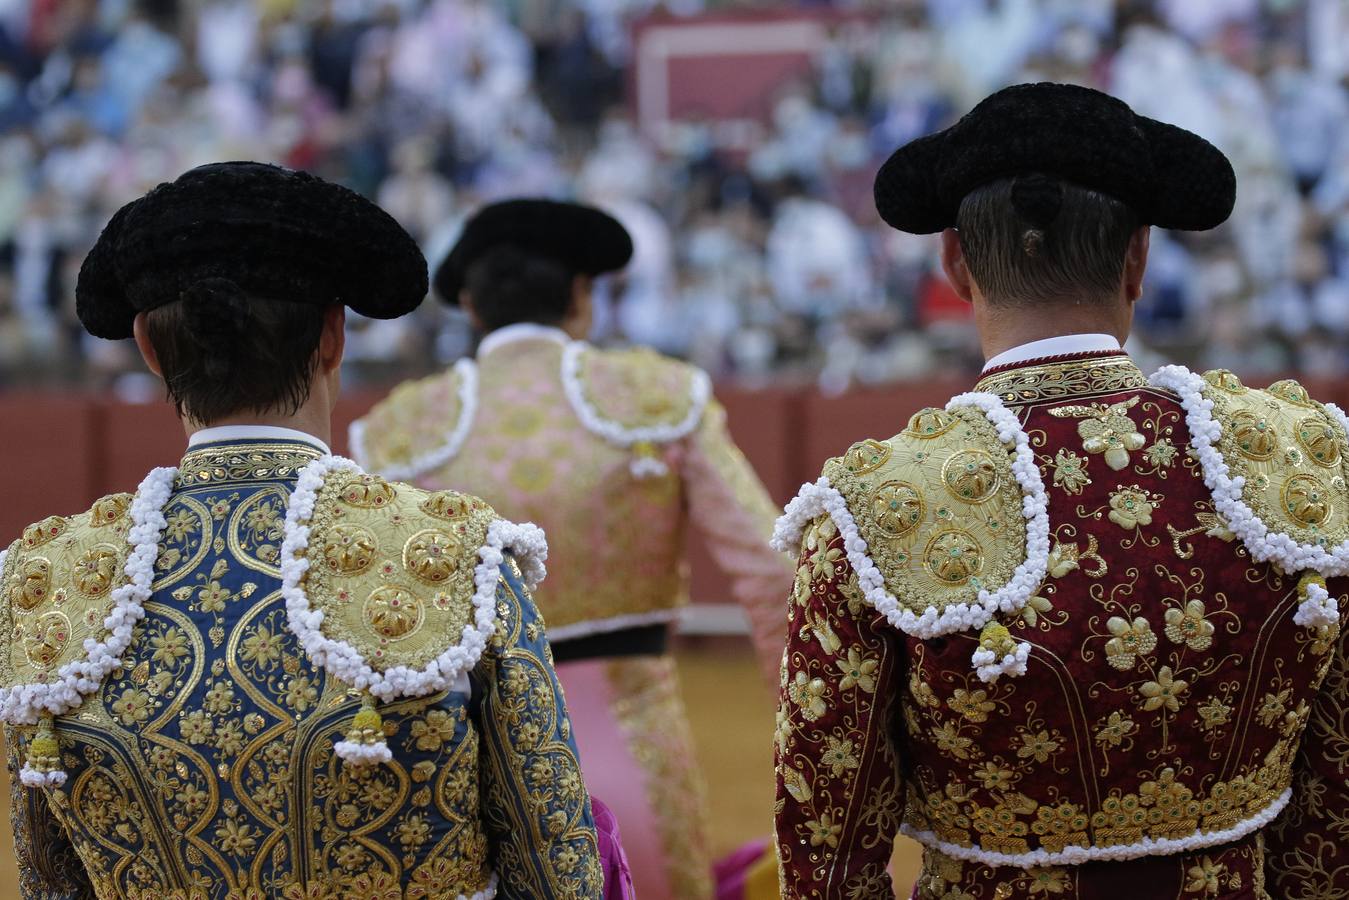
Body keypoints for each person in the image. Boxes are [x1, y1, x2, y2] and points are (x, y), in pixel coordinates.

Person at [772, 82, 1349, 898]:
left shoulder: (875, 505)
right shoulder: (1306, 461)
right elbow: (1333, 809)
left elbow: (828, 844)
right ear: (1138, 257)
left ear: (955, 265)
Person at [0, 162, 606, 899]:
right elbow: (557, 871)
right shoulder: (458, 557)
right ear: (332, 336)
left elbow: (47, 881)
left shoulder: (43, 585)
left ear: (149, 349)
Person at [350, 197, 793, 900]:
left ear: (470, 306)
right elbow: (773, 574)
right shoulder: (659, 396)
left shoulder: (399, 430)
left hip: (474, 770)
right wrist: (811, 731)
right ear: (581, 299)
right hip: (636, 752)